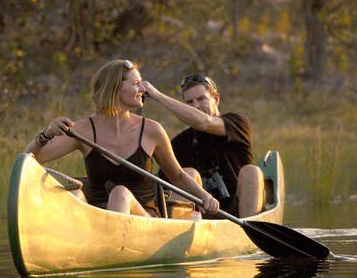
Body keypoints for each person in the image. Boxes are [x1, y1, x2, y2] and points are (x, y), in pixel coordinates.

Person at [23, 59, 218, 218]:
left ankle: (115, 249)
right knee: (74, 195)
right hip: (99, 219)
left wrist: (205, 197)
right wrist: (46, 134)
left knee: (120, 193)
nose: (143, 88)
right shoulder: (83, 130)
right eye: (135, 84)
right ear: (115, 89)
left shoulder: (151, 130)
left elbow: (177, 176)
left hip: (144, 219)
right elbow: (27, 161)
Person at [143, 75, 264, 218]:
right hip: (199, 215)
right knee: (188, 174)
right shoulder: (178, 143)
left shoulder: (237, 124)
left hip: (239, 211)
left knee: (252, 171)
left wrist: (157, 95)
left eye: (201, 99)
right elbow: (162, 187)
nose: (196, 106)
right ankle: (179, 233)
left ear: (216, 99)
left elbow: (203, 123)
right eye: (189, 102)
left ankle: (250, 232)